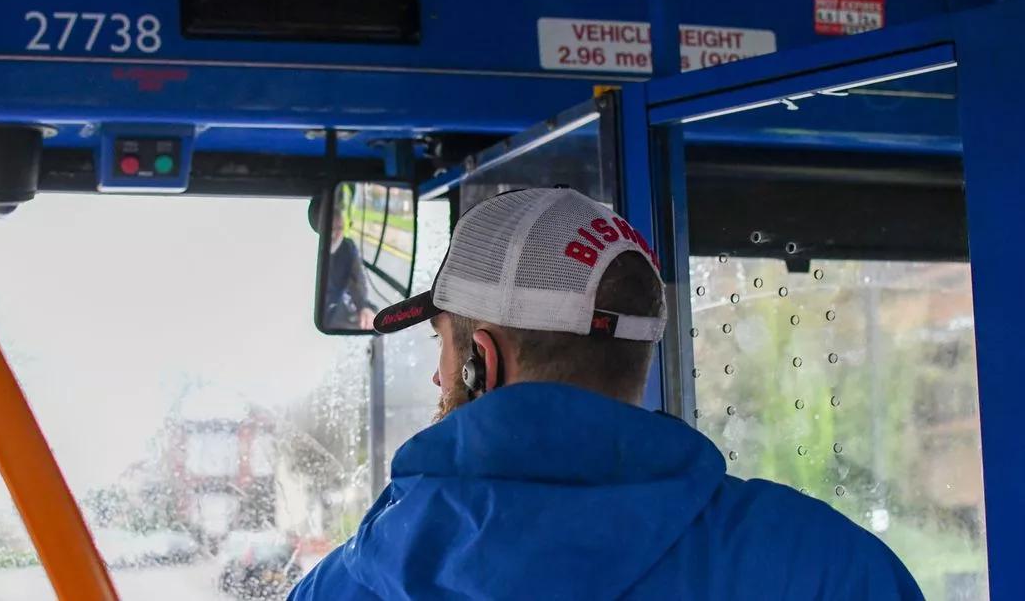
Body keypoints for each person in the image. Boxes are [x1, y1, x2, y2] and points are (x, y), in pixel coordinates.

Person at [289, 188, 922, 600]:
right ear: (638, 357)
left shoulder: (356, 584)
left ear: (483, 360)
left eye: (441, 346)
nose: (436, 376)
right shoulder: (826, 565)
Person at [309, 198, 376, 331]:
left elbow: (358, 280)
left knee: (372, 320)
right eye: (330, 229)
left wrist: (363, 307)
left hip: (341, 308)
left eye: (340, 228)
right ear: (318, 229)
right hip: (323, 314)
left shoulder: (347, 246)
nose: (336, 234)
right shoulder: (311, 251)